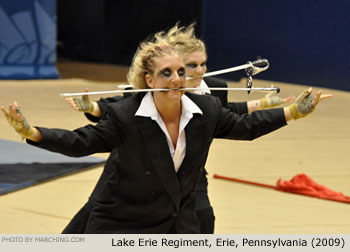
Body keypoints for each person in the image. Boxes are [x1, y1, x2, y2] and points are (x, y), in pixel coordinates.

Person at [1, 35, 330, 233]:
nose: (177, 79)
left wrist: (292, 112)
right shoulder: (127, 115)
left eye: (182, 71)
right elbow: (81, 142)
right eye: (167, 73)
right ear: (148, 80)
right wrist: (31, 131)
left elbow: (243, 127)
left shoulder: (207, 110)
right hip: (122, 219)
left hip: (174, 222)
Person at [63, 23, 295, 234]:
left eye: (203, 64)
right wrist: (91, 107)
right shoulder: (150, 89)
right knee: (92, 218)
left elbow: (227, 114)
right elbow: (111, 108)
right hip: (135, 168)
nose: (199, 71)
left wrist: (262, 104)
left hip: (188, 170)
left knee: (203, 216)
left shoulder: (214, 88)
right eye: (191, 65)